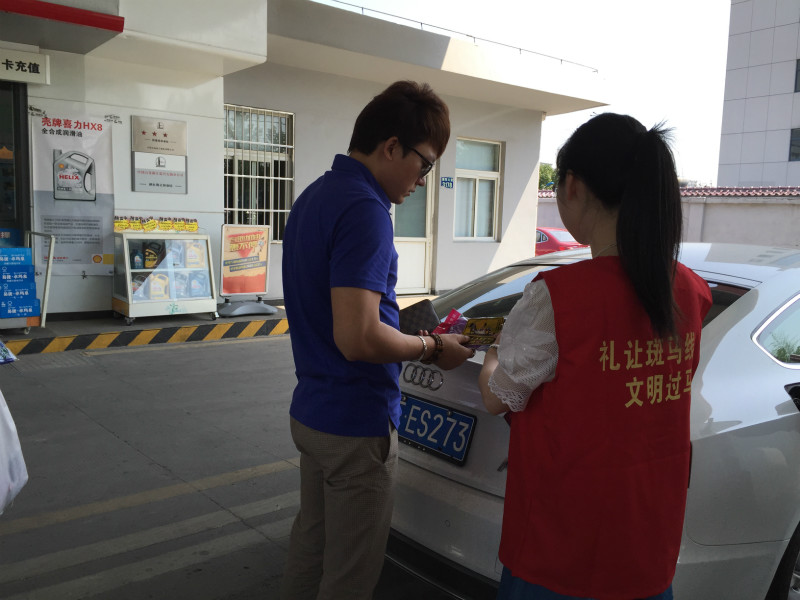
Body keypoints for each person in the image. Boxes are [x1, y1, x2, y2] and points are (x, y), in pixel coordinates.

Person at [478, 113, 712, 600]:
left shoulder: (557, 297)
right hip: (647, 550)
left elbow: (499, 397)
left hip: (560, 554)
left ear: (573, 185)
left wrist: (494, 351)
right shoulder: (690, 291)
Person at [280, 80, 473, 600]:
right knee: (351, 573)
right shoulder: (366, 210)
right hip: (355, 424)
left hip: (313, 411)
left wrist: (399, 328)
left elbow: (341, 315)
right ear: (391, 146)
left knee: (312, 546)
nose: (423, 181)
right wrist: (433, 348)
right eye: (424, 165)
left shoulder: (315, 196)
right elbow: (358, 337)